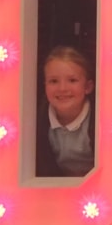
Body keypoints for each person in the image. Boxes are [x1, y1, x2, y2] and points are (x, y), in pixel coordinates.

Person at [36, 46, 95, 177]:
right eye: (54, 81)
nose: (62, 88)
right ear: (45, 85)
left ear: (88, 87)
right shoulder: (36, 122)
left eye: (72, 80)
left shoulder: (99, 121)